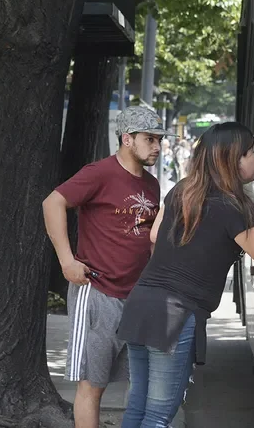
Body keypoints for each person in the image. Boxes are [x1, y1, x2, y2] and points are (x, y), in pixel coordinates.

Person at [116, 123, 254, 427]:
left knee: (137, 408)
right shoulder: (235, 208)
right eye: (251, 152)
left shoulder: (182, 190)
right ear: (233, 159)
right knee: (158, 415)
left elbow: (155, 235)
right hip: (175, 315)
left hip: (141, 303)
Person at [42, 105, 168, 428]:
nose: (157, 146)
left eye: (159, 139)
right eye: (150, 139)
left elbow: (150, 239)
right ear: (127, 139)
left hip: (136, 298)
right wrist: (67, 261)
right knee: (91, 386)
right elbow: (52, 202)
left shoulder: (152, 186)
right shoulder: (99, 173)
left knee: (138, 383)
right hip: (97, 293)